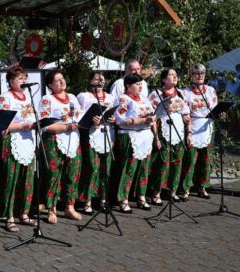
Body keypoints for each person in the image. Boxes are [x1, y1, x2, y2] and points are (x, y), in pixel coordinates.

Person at [0, 66, 37, 232]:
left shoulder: (28, 97)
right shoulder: (5, 98)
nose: (24, 81)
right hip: (12, 140)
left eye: (25, 78)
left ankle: (24, 212)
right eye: (20, 79)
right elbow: (1, 123)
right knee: (11, 178)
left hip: (27, 140)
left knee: (27, 178)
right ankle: (9, 215)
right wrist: (23, 125)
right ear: (11, 81)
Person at [39, 70, 83, 224]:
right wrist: (65, 127)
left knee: (73, 173)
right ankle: (51, 209)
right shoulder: (47, 99)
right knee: (54, 175)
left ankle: (69, 206)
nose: (61, 82)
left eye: (62, 79)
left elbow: (80, 116)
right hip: (54, 140)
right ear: (50, 85)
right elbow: (44, 125)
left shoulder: (72, 98)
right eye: (57, 80)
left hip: (73, 139)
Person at [180, 63, 225, 201]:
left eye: (202, 74)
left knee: (206, 159)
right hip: (192, 126)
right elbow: (183, 111)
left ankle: (202, 186)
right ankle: (185, 188)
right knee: (190, 159)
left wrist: (220, 114)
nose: (200, 76)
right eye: (197, 73)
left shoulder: (211, 90)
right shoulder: (185, 92)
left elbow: (214, 107)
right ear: (192, 75)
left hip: (207, 126)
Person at [112, 73, 156, 213]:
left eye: (141, 84)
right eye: (137, 84)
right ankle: (123, 199)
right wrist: (143, 121)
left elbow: (152, 115)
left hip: (145, 136)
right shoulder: (123, 99)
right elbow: (121, 120)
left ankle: (141, 196)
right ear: (128, 86)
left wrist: (152, 122)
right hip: (130, 136)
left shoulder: (144, 99)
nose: (140, 86)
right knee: (129, 167)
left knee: (144, 167)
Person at [148, 69, 192, 203]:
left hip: (179, 132)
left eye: (176, 75)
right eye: (171, 75)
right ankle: (156, 193)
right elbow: (152, 117)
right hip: (163, 132)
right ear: (163, 79)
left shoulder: (181, 94)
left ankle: (172, 191)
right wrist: (155, 137)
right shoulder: (156, 95)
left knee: (177, 163)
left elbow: (186, 115)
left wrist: (189, 132)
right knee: (163, 163)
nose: (174, 77)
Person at [77, 72, 115, 214]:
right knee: (92, 168)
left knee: (106, 168)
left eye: (102, 79)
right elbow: (79, 114)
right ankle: (87, 201)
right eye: (96, 79)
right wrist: (91, 118)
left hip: (106, 134)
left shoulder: (110, 97)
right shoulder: (84, 96)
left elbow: (114, 114)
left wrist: (113, 119)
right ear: (90, 80)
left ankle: (103, 200)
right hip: (91, 134)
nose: (100, 81)